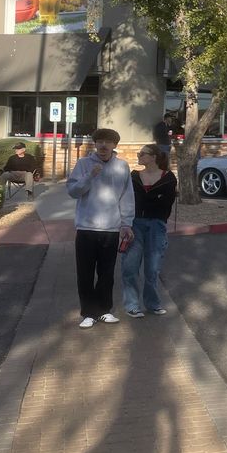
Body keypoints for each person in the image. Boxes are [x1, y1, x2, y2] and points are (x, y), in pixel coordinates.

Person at [66, 128, 135, 329]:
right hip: (86, 228)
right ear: (95, 144)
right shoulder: (83, 164)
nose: (103, 145)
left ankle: (104, 310)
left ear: (115, 145)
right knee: (85, 273)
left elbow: (127, 197)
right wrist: (89, 177)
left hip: (111, 229)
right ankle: (88, 312)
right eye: (100, 141)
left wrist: (127, 223)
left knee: (106, 273)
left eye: (108, 142)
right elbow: (72, 191)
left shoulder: (122, 166)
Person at [122, 144, 178, 317]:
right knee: (130, 266)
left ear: (153, 157)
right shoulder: (133, 176)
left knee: (152, 269)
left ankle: (152, 304)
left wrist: (146, 200)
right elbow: (126, 199)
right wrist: (153, 198)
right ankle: (132, 305)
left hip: (156, 225)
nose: (139, 156)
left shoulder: (168, 178)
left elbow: (165, 203)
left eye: (142, 154)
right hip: (134, 224)